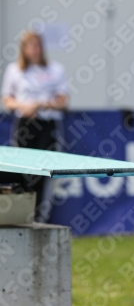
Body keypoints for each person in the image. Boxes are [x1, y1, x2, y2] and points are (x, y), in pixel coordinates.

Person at [1, 31, 68, 221]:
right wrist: (24, 106)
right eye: (30, 46)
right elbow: (7, 99)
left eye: (37, 45)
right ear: (24, 49)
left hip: (47, 124)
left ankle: (39, 217)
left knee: (43, 172)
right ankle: (22, 215)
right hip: (25, 124)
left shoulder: (55, 70)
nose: (35, 50)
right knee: (22, 170)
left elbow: (63, 100)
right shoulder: (15, 70)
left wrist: (41, 104)